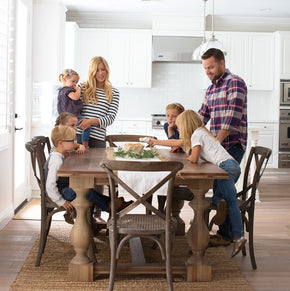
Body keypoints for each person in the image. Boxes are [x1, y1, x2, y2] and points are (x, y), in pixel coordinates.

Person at [175, 109, 246, 258]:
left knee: (230, 201)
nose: (178, 129)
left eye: (179, 126)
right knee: (221, 200)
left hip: (225, 168)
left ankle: (239, 237)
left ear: (186, 125)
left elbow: (194, 159)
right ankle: (224, 230)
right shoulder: (201, 132)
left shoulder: (196, 135)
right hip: (230, 166)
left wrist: (186, 159)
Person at [77, 56, 120, 221]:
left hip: (98, 140)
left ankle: (95, 214)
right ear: (92, 71)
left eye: (103, 69)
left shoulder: (113, 92)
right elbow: (73, 109)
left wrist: (91, 121)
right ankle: (79, 213)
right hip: (79, 138)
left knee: (98, 178)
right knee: (79, 176)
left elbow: (110, 119)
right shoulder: (82, 88)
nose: (101, 73)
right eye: (97, 69)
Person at [198, 48, 248, 165]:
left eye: (210, 67)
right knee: (211, 180)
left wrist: (216, 144)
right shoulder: (211, 89)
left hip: (232, 145)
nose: (207, 71)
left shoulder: (234, 82)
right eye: (205, 68)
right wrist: (186, 133)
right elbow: (201, 117)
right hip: (218, 145)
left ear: (222, 63)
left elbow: (231, 119)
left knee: (221, 180)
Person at [44, 126, 78, 224]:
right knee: (85, 193)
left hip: (63, 188)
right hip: (59, 191)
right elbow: (50, 186)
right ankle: (109, 205)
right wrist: (61, 201)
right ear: (61, 143)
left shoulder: (61, 155)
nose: (74, 143)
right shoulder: (56, 161)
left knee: (86, 191)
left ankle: (109, 205)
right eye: (72, 141)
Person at [57, 69, 90, 148]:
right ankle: (85, 144)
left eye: (76, 82)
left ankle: (72, 145)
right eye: (73, 81)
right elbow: (75, 97)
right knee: (86, 127)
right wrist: (78, 90)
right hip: (72, 118)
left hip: (67, 118)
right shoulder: (67, 90)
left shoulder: (62, 91)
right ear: (64, 79)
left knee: (69, 132)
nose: (75, 84)